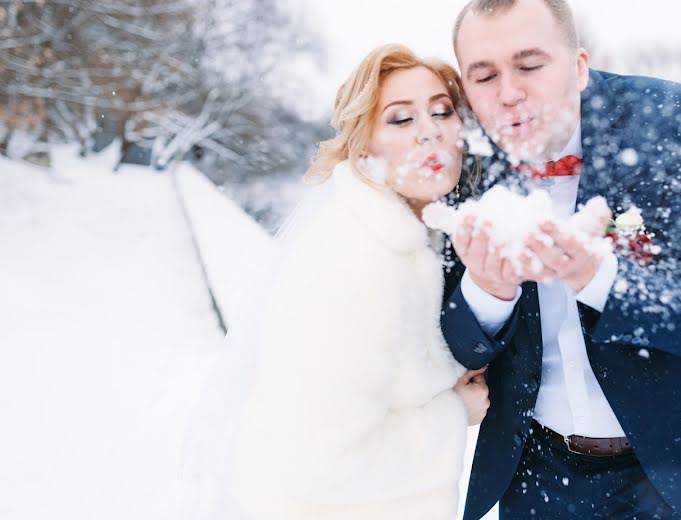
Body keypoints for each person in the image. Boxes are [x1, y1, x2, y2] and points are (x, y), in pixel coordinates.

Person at [439, 0, 681, 519]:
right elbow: (457, 342)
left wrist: (596, 275)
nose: (507, 93)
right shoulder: (468, 160)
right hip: (539, 472)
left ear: (578, 67)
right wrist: (488, 291)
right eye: (484, 75)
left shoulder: (675, 122)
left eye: (529, 65)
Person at [182, 44, 489, 520]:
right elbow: (326, 461)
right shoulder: (355, 259)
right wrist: (455, 413)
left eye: (441, 111)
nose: (429, 131)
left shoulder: (400, 237)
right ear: (365, 143)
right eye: (401, 120)